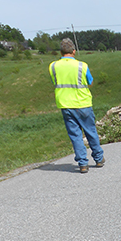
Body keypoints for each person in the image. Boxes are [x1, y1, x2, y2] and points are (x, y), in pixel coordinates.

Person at [49, 38, 105, 173]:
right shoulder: (82, 66)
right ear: (74, 51)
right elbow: (90, 82)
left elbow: (55, 82)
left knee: (75, 135)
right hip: (83, 103)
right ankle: (98, 159)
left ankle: (82, 164)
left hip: (65, 105)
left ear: (61, 52)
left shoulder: (53, 66)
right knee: (90, 131)